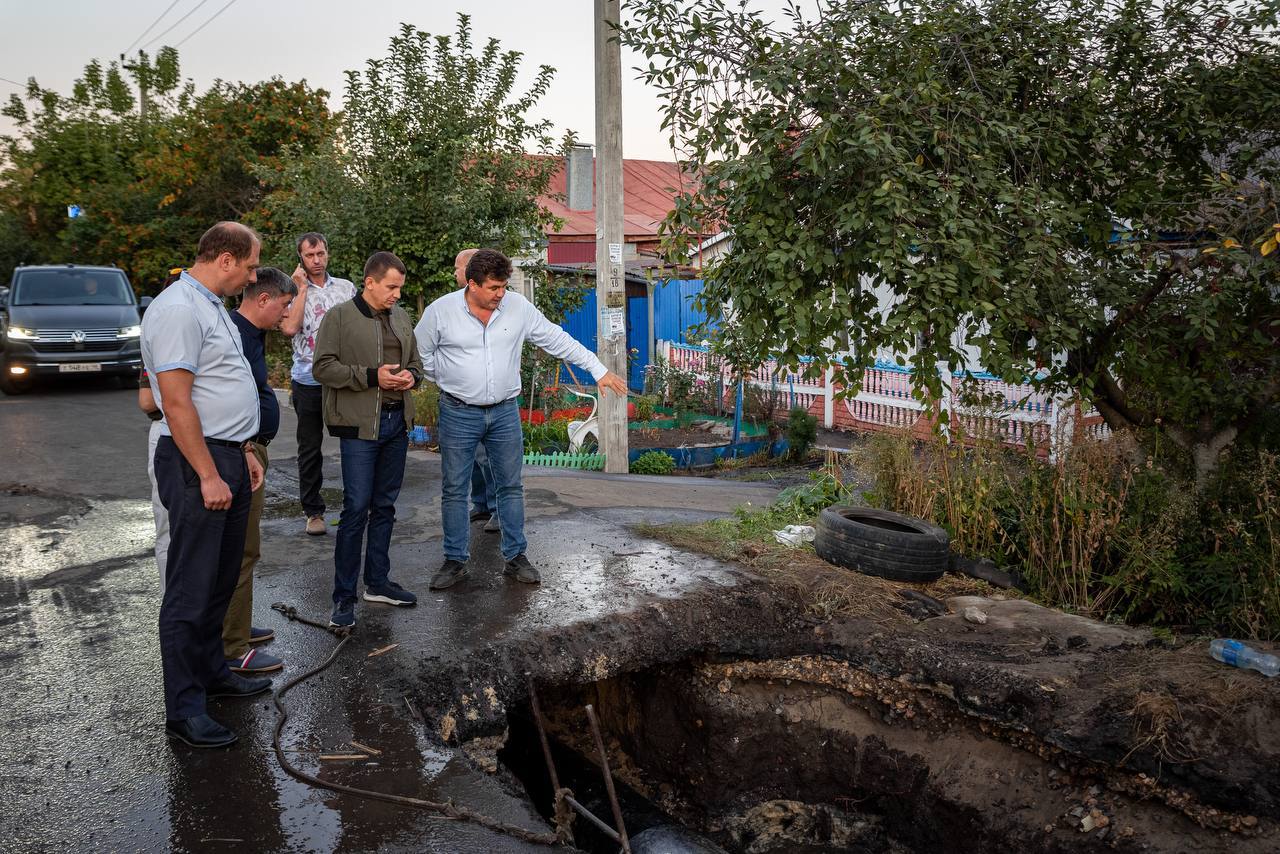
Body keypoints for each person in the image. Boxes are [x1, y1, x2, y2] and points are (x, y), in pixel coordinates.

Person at [415, 249, 628, 590]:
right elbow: (420, 354)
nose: (501, 294)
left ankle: (515, 558)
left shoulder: (517, 307)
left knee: (510, 486)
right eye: (494, 287)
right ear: (472, 284)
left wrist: (597, 368)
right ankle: (455, 561)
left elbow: (556, 338)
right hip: (458, 411)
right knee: (454, 489)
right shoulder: (440, 312)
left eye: (504, 286)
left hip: (503, 412)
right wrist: (449, 380)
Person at [141, 222, 268, 749]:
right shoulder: (177, 309)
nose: (254, 275)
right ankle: (184, 709)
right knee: (190, 589)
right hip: (199, 463)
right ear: (224, 259)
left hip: (227, 456)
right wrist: (209, 473)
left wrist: (241, 452)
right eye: (251, 265)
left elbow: (219, 387)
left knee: (219, 580)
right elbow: (175, 403)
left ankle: (214, 672)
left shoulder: (210, 303)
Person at [312, 251, 424, 629]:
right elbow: (323, 367)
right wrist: (373, 377)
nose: (396, 294)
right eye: (391, 287)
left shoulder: (402, 317)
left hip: (396, 423)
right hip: (360, 427)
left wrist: (410, 377)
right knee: (356, 508)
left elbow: (417, 366)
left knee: (386, 506)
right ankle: (343, 598)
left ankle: (377, 583)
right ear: (370, 282)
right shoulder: (340, 316)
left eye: (400, 288)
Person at [223, 267, 298, 675]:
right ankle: (231, 648)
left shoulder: (250, 335)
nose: (287, 315)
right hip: (241, 452)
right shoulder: (233, 334)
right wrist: (245, 445)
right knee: (240, 549)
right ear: (264, 299)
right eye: (285, 305)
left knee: (245, 548)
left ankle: (237, 626)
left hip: (252, 450)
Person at [279, 232, 356, 536]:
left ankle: (357, 505)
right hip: (307, 380)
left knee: (354, 442)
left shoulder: (346, 289)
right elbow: (290, 327)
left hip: (342, 378)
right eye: (310, 255)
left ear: (328, 253)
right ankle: (313, 512)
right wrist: (299, 289)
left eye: (321, 253)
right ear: (301, 257)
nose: (317, 260)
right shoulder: (289, 290)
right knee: (310, 448)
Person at [453, 248, 499, 534]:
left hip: (489, 399)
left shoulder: (493, 305)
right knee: (472, 457)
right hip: (461, 399)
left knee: (488, 458)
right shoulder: (454, 305)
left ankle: (496, 509)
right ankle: (481, 503)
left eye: (457, 268)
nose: (454, 274)